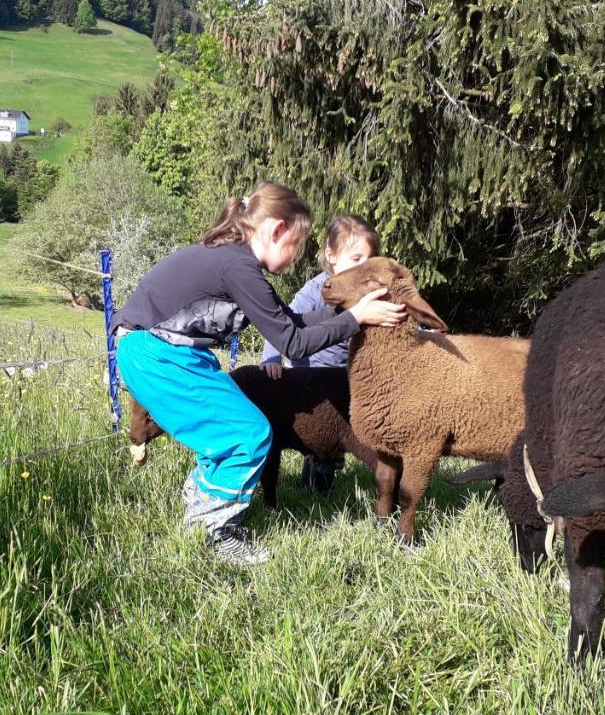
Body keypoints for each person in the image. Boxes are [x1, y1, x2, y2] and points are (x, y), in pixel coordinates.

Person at [112, 183, 405, 565]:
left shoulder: (235, 262)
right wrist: (354, 319)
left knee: (229, 431)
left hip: (166, 353)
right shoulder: (239, 266)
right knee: (248, 432)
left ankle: (202, 517)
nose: (298, 255)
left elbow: (292, 321)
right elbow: (294, 344)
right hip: (155, 354)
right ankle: (215, 533)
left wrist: (347, 312)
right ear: (276, 230)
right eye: (296, 245)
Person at [260, 215, 381, 493]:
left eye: (368, 259)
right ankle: (315, 479)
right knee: (318, 433)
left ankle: (330, 476)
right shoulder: (316, 290)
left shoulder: (370, 290)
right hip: (312, 378)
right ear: (332, 255)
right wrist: (271, 357)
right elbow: (281, 322)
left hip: (347, 376)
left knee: (344, 432)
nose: (362, 267)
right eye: (355, 258)